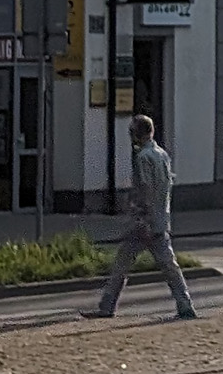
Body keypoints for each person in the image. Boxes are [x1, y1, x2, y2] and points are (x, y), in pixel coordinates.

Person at [83, 114, 199, 320]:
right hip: (160, 220)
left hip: (143, 223)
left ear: (137, 133)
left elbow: (145, 190)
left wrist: (141, 218)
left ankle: (107, 307)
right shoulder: (162, 155)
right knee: (170, 266)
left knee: (121, 266)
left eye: (132, 131)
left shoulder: (143, 157)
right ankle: (185, 305)